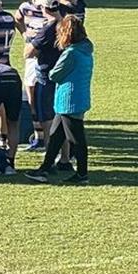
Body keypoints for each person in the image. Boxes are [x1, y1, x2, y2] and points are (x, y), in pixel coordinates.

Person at [25, 15, 94, 185]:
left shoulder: (70, 53)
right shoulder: (86, 50)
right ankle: (45, 168)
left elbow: (54, 74)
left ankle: (82, 174)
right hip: (78, 97)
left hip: (69, 100)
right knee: (55, 136)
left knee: (76, 139)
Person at [24, 0, 64, 163]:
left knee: (47, 120)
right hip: (66, 76)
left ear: (43, 8)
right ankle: (65, 157)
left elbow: (28, 53)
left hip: (47, 77)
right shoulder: (67, 24)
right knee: (62, 116)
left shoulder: (47, 29)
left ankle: (50, 156)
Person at [16, 0, 50, 151]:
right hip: (31, 56)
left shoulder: (48, 9)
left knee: (45, 95)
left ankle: (48, 136)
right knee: (31, 95)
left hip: (46, 55)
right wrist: (24, 34)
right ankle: (39, 136)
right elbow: (17, 18)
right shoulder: (25, 7)